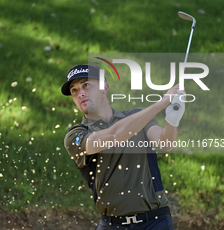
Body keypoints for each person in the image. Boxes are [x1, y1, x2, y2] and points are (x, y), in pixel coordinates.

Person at [61, 64, 185, 230]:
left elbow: (165, 144)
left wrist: (172, 121)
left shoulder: (137, 115)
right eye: (74, 90)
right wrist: (160, 104)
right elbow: (114, 135)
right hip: (112, 224)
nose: (80, 93)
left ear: (104, 87)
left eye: (86, 85)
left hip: (155, 222)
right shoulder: (76, 135)